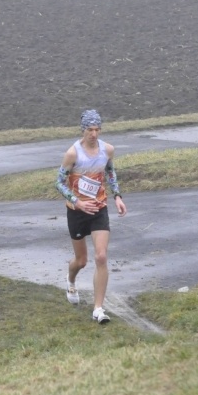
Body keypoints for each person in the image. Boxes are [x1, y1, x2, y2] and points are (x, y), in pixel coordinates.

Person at [55, 109, 127, 324]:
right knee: (82, 261)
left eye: (97, 129)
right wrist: (77, 201)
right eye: (89, 130)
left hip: (99, 209)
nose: (94, 134)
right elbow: (58, 182)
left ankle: (98, 309)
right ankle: (71, 279)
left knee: (101, 257)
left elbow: (111, 173)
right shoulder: (73, 154)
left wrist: (118, 197)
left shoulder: (108, 150)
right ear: (83, 130)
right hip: (77, 211)